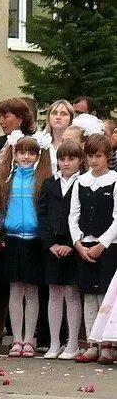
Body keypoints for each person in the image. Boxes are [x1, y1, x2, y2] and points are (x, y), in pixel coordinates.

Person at [0, 133, 51, 357]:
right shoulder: (7, 179)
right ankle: (17, 338)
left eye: (31, 152)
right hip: (12, 239)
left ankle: (30, 338)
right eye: (21, 152)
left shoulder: (43, 179)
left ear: (38, 155)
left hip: (34, 240)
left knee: (32, 289)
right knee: (15, 289)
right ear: (15, 154)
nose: (26, 157)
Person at [69, 133, 117, 363]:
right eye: (90, 156)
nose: (93, 160)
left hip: (108, 247)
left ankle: (106, 344)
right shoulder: (81, 181)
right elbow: (73, 216)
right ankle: (91, 343)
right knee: (88, 295)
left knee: (105, 297)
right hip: (84, 245)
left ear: (107, 156)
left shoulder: (115, 180)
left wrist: (103, 244)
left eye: (98, 156)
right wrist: (78, 243)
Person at [38, 141, 83, 360]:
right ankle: (54, 343)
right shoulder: (49, 183)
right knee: (54, 294)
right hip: (53, 247)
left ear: (79, 161)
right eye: (62, 159)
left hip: (74, 245)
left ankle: (72, 343)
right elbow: (43, 215)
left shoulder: (83, 183)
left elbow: (82, 216)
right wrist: (51, 244)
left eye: (71, 159)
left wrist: (71, 244)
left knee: (72, 293)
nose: (66, 163)